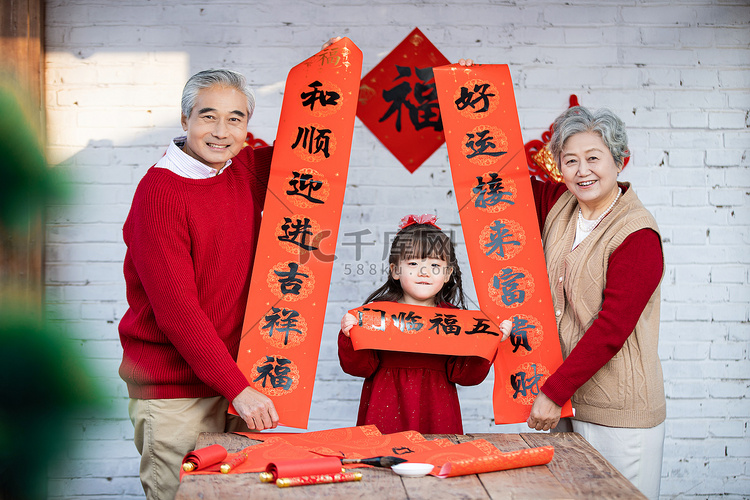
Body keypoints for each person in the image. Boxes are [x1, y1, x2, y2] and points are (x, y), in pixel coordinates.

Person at [118, 68, 279, 500]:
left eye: (236, 119)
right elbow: (177, 312)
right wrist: (238, 389)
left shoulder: (242, 169)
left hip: (238, 381)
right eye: (209, 117)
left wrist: (333, 74)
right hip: (178, 394)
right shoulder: (160, 193)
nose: (221, 132)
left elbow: (314, 156)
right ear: (186, 118)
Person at [526, 106, 666, 500]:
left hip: (618, 415)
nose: (582, 170)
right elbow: (490, 174)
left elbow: (611, 329)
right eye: (570, 161)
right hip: (565, 402)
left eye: (593, 158)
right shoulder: (558, 205)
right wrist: (464, 90)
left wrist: (553, 392)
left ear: (620, 161)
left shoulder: (637, 234)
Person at [338, 214, 511, 434]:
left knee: (435, 463)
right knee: (381, 465)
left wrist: (489, 343)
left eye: (435, 265)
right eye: (413, 263)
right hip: (384, 407)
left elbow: (466, 376)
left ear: (448, 273)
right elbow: (359, 367)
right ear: (395, 270)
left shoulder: (456, 320)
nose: (424, 271)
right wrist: (349, 333)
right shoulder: (376, 314)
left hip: (436, 409)